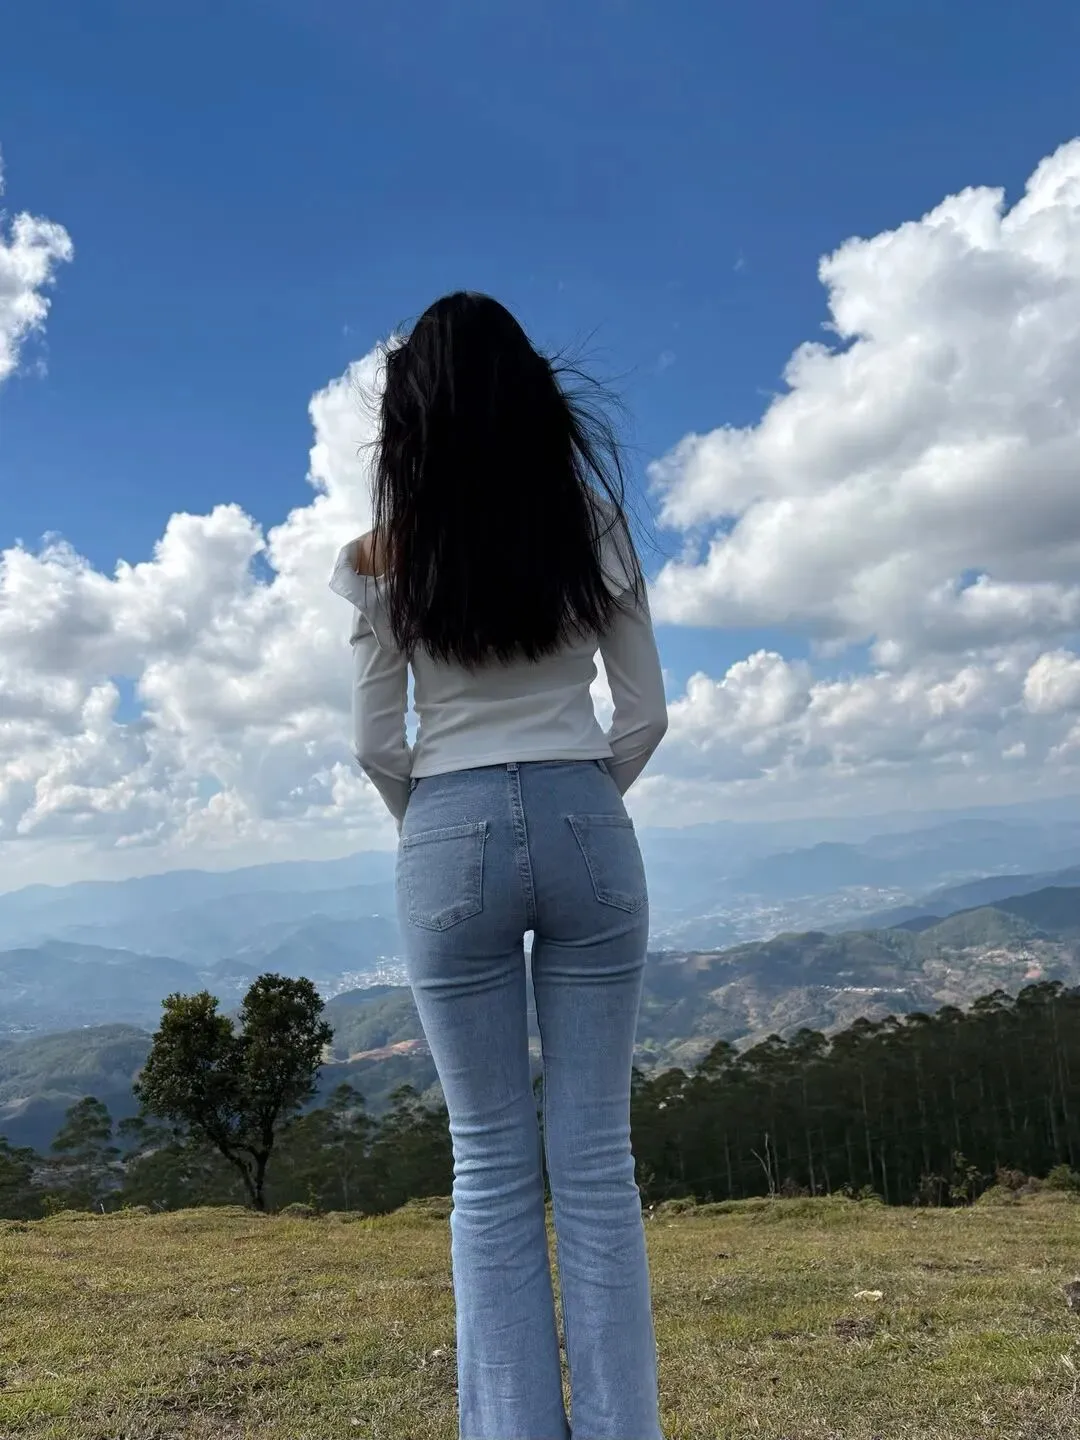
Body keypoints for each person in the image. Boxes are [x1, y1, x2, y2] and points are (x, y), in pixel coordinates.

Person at [330, 291, 668, 1440]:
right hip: (587, 813)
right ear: (533, 398)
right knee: (597, 1165)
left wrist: (434, 825)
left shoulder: (386, 553)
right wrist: (580, 804)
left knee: (487, 1169)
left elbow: (375, 742)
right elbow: (645, 714)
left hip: (446, 825)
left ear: (408, 419)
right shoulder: (592, 521)